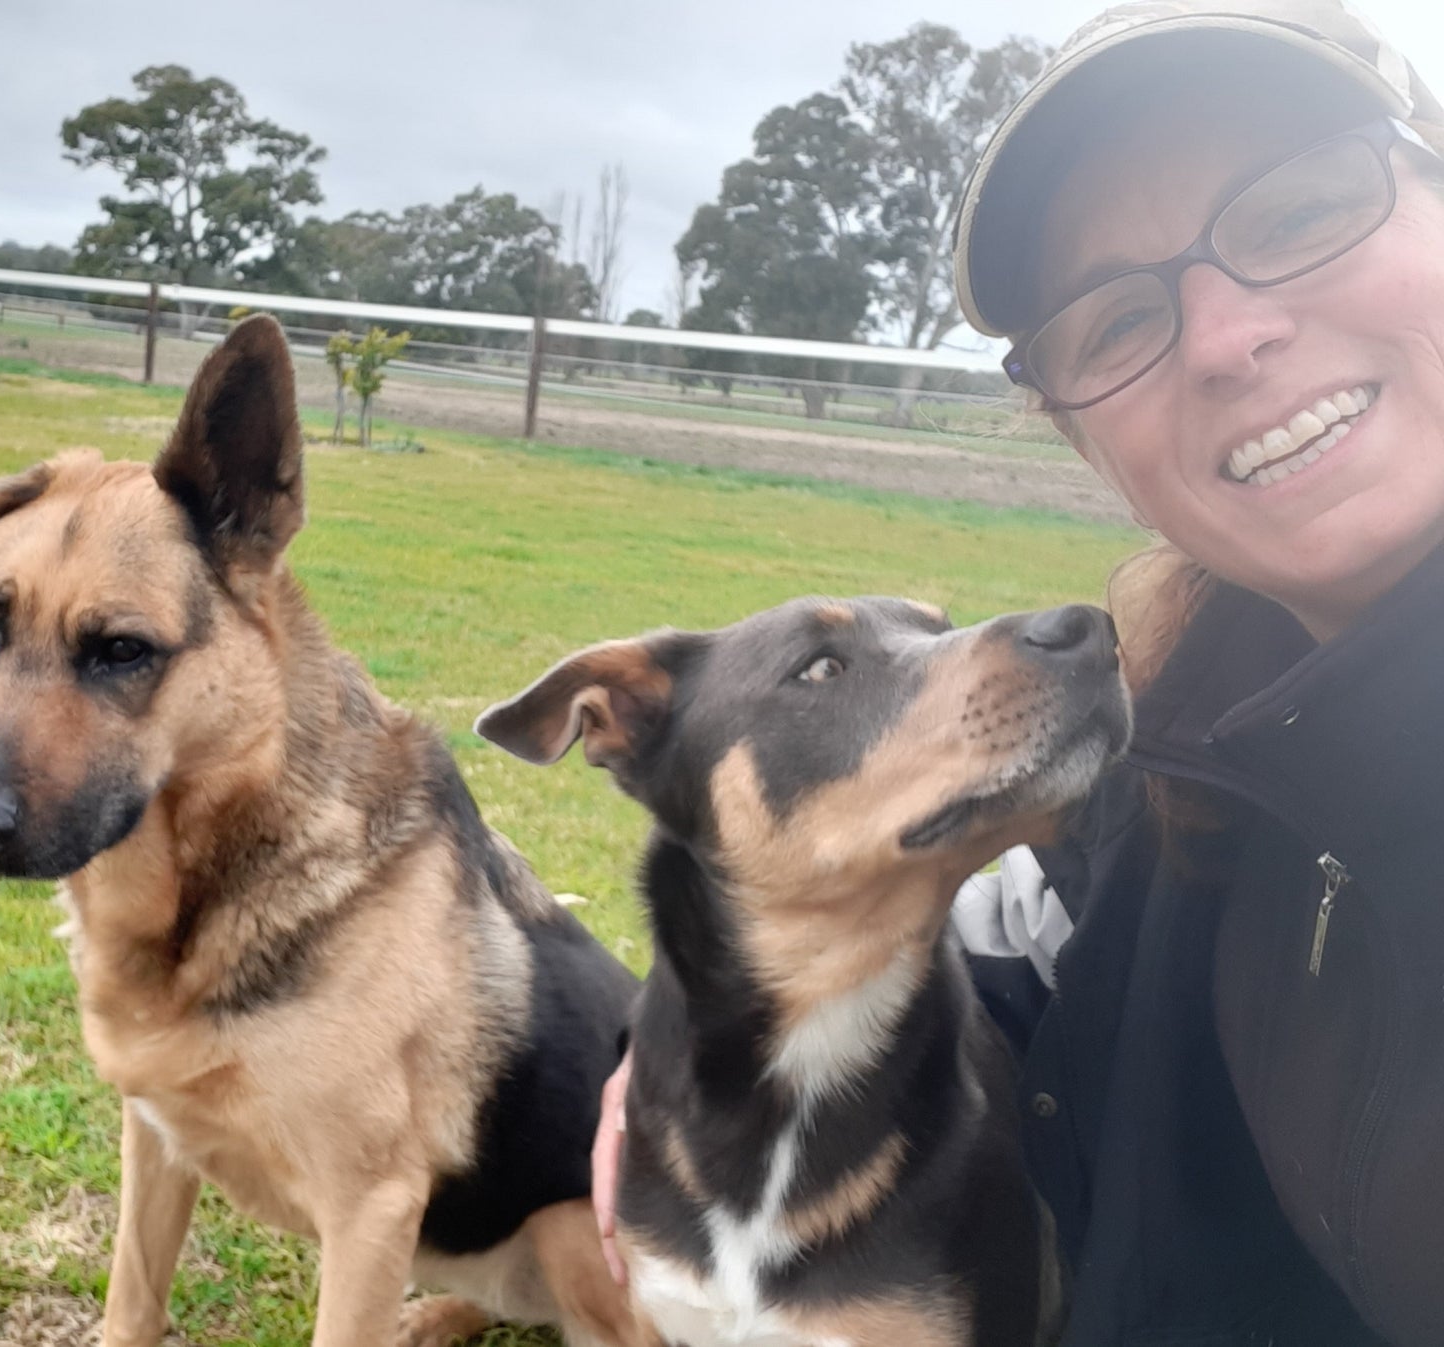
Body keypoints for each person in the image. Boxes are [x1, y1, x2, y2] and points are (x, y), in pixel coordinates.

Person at [591, 2, 1444, 1343]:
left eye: (1297, 214)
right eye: (1116, 322)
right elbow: (1017, 946)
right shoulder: (1172, 735)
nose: (1228, 339)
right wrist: (684, 1049)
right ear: (1081, 434)